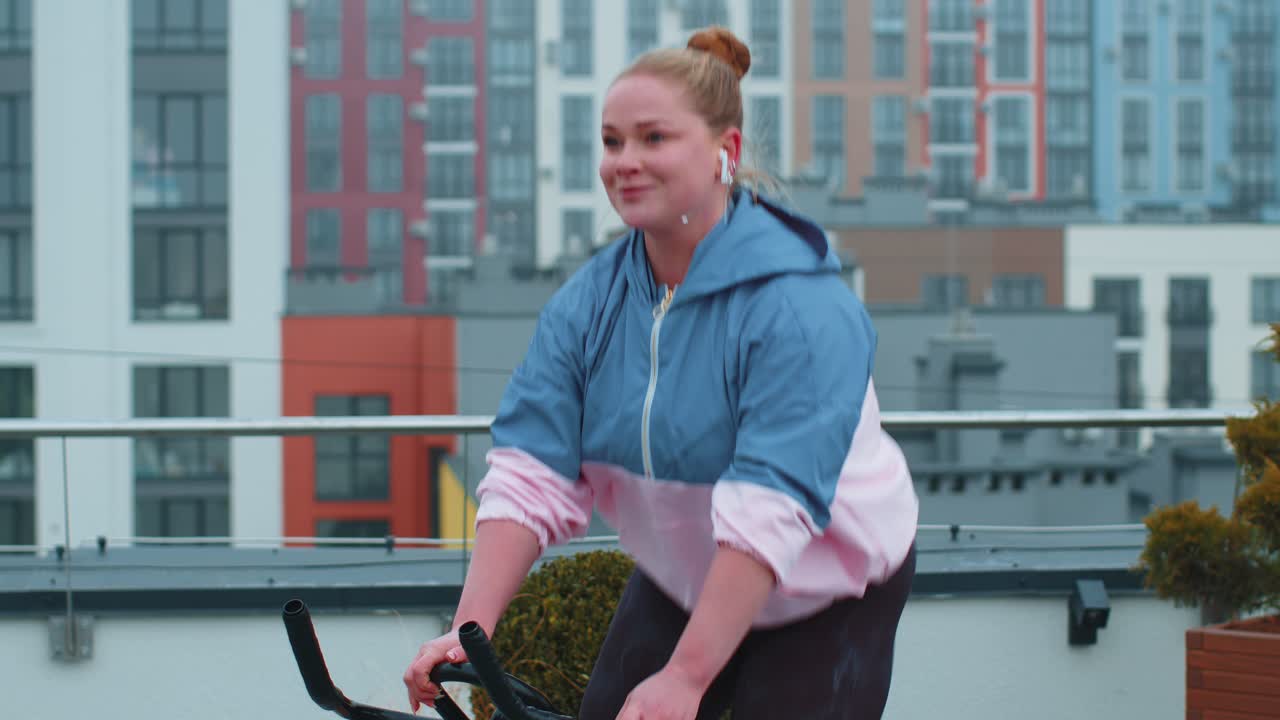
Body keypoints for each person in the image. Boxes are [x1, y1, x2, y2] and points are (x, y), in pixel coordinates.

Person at [404, 26, 919, 720]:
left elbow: (773, 511)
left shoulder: (799, 310)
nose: (626, 162)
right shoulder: (588, 304)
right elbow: (531, 470)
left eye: (654, 139)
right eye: (613, 141)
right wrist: (472, 633)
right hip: (688, 574)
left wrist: (688, 675)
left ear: (724, 153)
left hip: (825, 583)